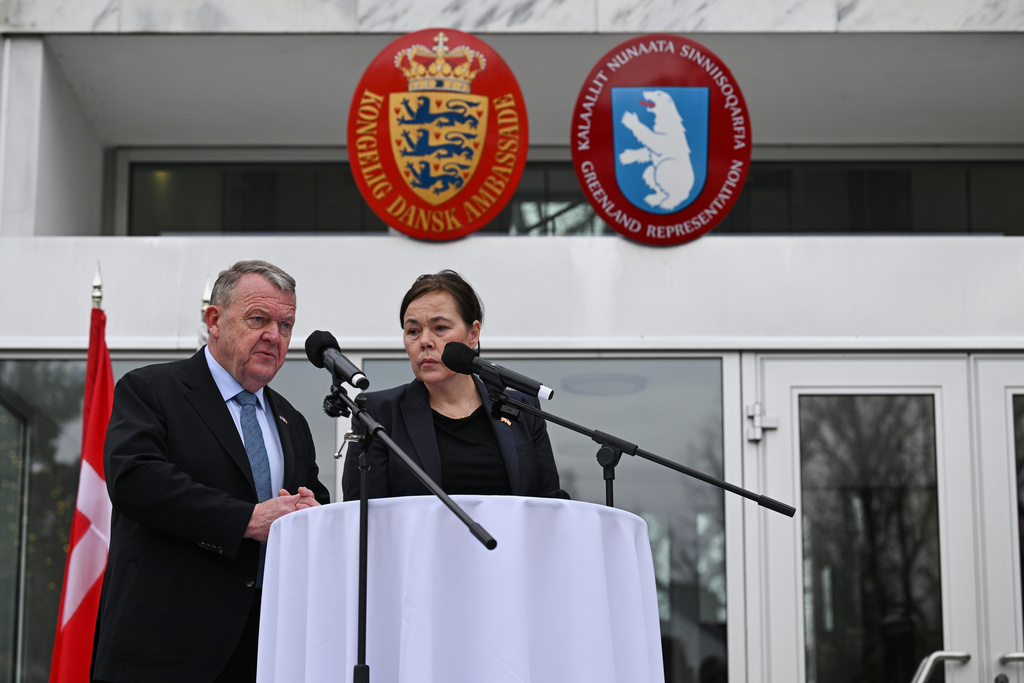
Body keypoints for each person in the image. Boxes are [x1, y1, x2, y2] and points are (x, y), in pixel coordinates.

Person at [92, 260, 330, 683]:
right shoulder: (152, 390)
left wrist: (312, 510)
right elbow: (136, 480)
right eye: (259, 319)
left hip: (266, 649)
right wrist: (246, 520)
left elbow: (304, 495)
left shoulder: (291, 419)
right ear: (215, 321)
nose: (274, 336)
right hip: (167, 650)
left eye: (286, 325)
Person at [342, 269, 563, 500]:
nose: (425, 341)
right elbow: (361, 514)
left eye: (440, 328)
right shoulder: (379, 413)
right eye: (413, 331)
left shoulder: (522, 409)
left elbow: (548, 505)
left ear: (473, 334)